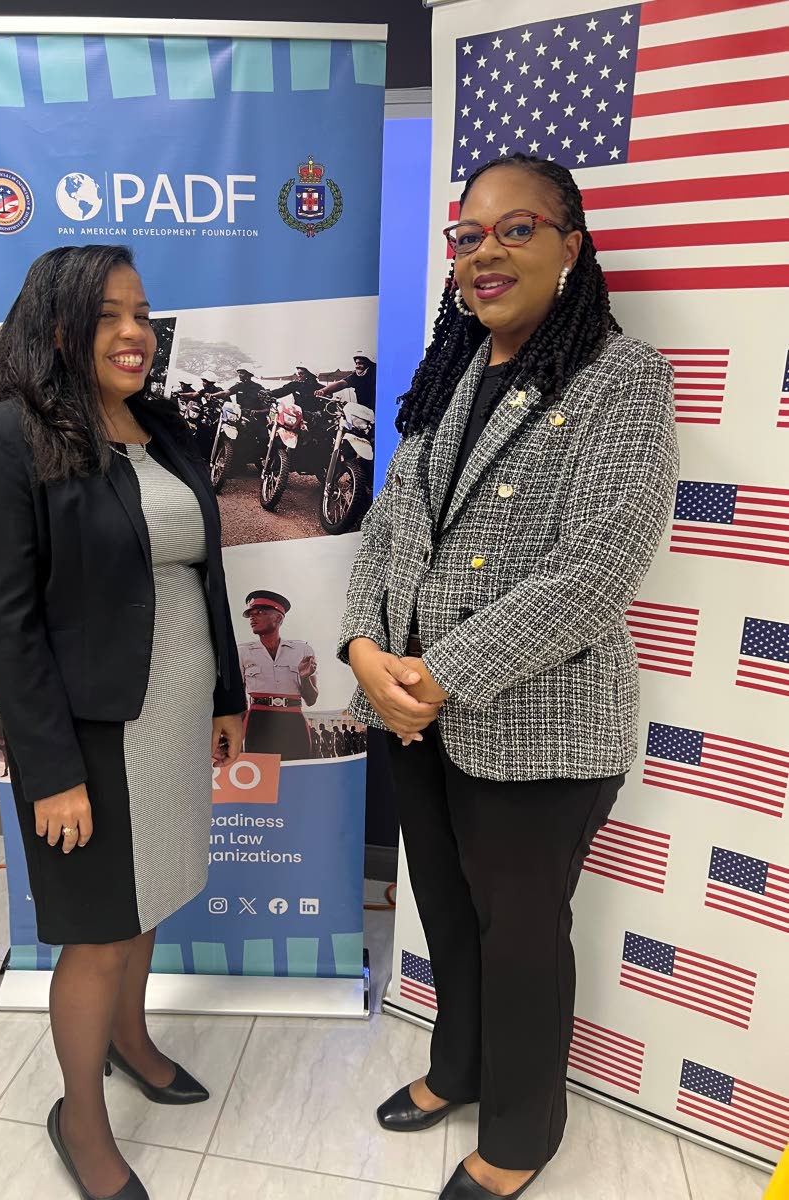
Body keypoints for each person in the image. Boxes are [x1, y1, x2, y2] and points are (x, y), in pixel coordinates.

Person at [338, 153, 678, 1200]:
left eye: (514, 228)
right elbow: (393, 527)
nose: (484, 252)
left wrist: (438, 674)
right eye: (467, 236)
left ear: (571, 246)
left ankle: (524, 1131)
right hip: (415, 714)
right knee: (444, 908)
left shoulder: (622, 377)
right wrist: (362, 649)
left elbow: (597, 570)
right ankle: (458, 1068)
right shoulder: (450, 373)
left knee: (522, 937)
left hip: (541, 725)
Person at [0, 244, 247, 1200]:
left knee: (147, 896)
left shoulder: (160, 425)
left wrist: (227, 695)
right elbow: (3, 621)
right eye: (108, 315)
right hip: (87, 730)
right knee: (97, 929)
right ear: (57, 325)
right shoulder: (4, 436)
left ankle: (131, 1041)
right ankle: (79, 1117)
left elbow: (203, 574)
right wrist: (52, 770)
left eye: (144, 314)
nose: (135, 334)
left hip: (171, 706)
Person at [238, 591, 317, 761]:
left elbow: (311, 700)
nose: (253, 618)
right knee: (261, 776)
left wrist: (304, 677)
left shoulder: (303, 650)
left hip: (293, 721)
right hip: (258, 721)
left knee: (296, 775)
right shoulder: (243, 652)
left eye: (260, 613)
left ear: (279, 619)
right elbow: (238, 698)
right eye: (251, 614)